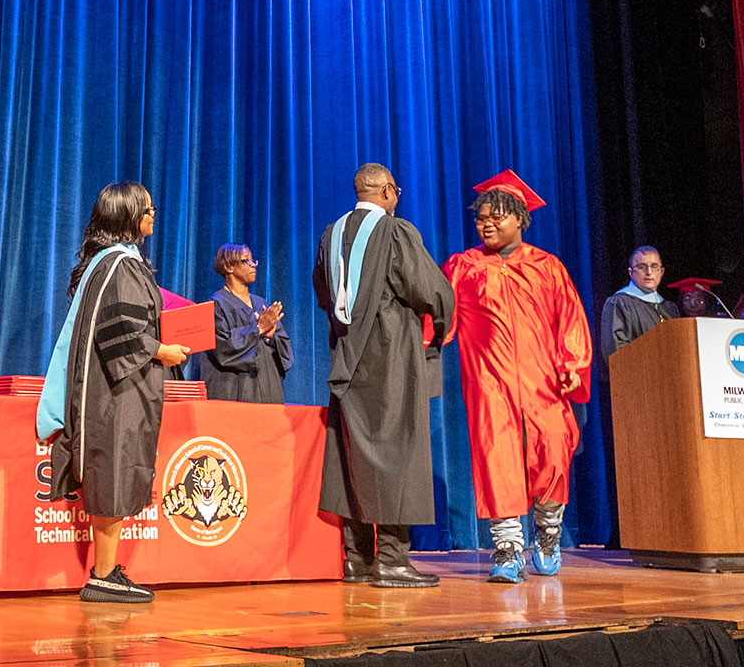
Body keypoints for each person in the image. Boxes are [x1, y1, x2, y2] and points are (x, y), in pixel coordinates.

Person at [38, 182, 190, 603]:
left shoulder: (112, 263)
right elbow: (121, 332)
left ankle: (107, 570)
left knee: (119, 473)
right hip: (116, 391)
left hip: (119, 387)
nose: (153, 213)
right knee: (115, 474)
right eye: (147, 208)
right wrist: (163, 350)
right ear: (128, 214)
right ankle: (102, 575)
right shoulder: (120, 265)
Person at [442, 170, 592, 584]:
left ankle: (547, 534)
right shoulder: (463, 266)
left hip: (545, 381)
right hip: (490, 383)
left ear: (520, 219)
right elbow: (438, 319)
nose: (486, 223)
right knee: (497, 458)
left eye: (497, 217)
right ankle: (506, 547)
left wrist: (573, 367)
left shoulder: (548, 266)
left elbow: (572, 322)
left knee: (552, 454)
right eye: (481, 218)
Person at [313, 163, 454, 589]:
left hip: (347, 360)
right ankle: (392, 561)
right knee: (399, 452)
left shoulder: (330, 235)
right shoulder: (395, 232)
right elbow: (431, 291)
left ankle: (357, 559)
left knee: (350, 456)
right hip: (392, 358)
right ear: (389, 191)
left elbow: (323, 293)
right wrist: (439, 329)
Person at [198, 244, 293, 402]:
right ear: (228, 267)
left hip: (267, 388)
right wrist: (258, 329)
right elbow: (222, 348)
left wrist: (270, 338)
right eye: (245, 261)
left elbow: (284, 350)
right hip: (234, 390)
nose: (253, 265)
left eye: (252, 261)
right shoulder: (217, 305)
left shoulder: (261, 303)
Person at [597, 246, 678, 358]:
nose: (649, 272)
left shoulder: (669, 308)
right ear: (631, 272)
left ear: (661, 272)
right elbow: (615, 350)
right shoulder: (619, 303)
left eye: (654, 266)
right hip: (638, 374)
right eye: (641, 267)